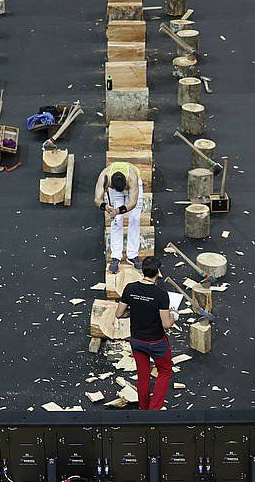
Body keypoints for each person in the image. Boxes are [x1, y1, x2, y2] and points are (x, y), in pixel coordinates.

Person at [115, 256, 176, 411]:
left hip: (137, 341)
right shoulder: (161, 295)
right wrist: (174, 315)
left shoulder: (130, 288)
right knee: (164, 372)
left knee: (143, 376)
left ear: (142, 271)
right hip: (156, 343)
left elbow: (119, 314)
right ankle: (154, 411)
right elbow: (166, 325)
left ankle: (143, 408)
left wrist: (135, 310)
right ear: (158, 272)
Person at [95, 160, 144, 273]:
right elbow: (97, 199)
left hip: (133, 188)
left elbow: (132, 203)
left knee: (135, 219)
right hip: (114, 191)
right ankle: (116, 256)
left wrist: (118, 210)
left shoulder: (132, 178)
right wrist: (105, 207)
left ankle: (132, 255)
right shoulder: (104, 176)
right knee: (116, 220)